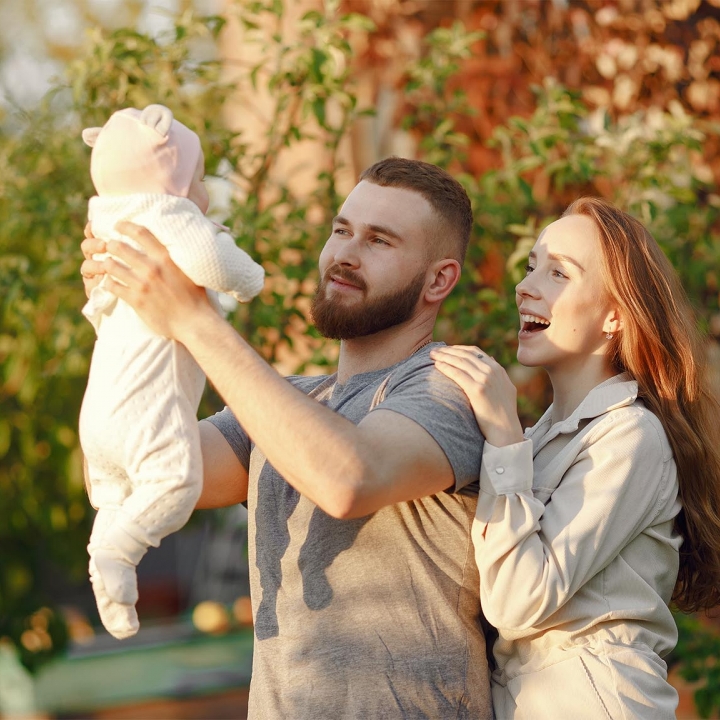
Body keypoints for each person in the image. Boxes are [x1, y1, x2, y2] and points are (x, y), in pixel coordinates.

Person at [80, 157, 493, 718]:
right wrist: (128, 320)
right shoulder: (289, 403)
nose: (345, 254)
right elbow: (131, 470)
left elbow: (347, 479)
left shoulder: (455, 387)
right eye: (341, 230)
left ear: (439, 279)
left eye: (379, 240)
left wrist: (196, 319)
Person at [431, 196, 720, 719]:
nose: (525, 286)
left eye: (559, 273)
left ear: (615, 316)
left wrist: (501, 432)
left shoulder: (632, 436)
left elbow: (518, 601)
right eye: (530, 266)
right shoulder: (543, 439)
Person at [79, 104, 265, 640]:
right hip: (145, 413)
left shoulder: (110, 221)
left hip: (101, 415)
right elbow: (212, 262)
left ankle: (107, 561)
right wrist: (248, 276)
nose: (204, 193)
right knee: (173, 483)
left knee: (116, 496)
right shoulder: (168, 217)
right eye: (200, 178)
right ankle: (117, 552)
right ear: (172, 183)